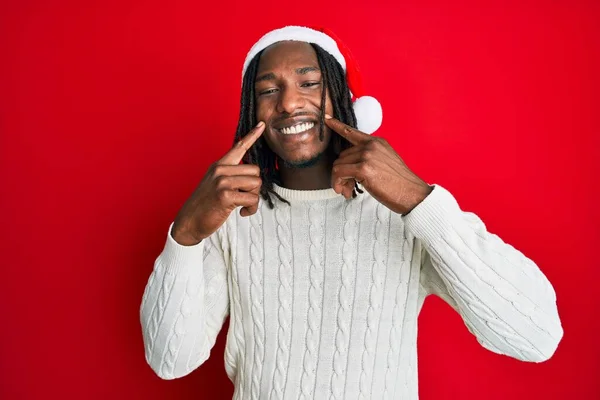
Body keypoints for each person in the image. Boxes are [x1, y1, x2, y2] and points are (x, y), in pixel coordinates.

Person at [140, 26, 563, 400]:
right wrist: (187, 234)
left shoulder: (407, 214)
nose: (289, 103)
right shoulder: (228, 219)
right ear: (254, 113)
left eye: (309, 82)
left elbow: (535, 336)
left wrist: (419, 199)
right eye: (268, 90)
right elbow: (169, 360)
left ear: (343, 100)